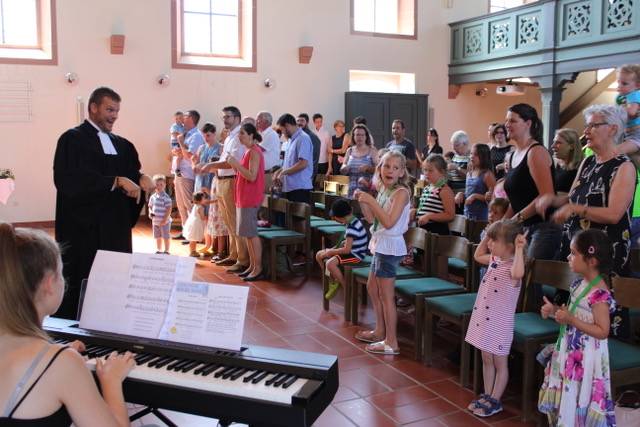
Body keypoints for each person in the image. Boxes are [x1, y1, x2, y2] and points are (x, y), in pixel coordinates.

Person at [0, 223, 135, 426]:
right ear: (49, 284)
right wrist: (111, 382)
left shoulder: (58, 361)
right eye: (61, 273)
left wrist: (53, 354)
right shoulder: (63, 363)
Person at [53, 86, 152, 320]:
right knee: (83, 278)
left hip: (115, 229)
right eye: (109, 110)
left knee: (114, 280)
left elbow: (130, 173)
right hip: (84, 230)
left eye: (117, 111)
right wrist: (114, 181)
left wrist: (141, 178)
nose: (114, 116)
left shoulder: (122, 144)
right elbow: (67, 179)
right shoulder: (71, 140)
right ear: (93, 107)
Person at [538, 229, 617, 426]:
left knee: (580, 394)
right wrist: (554, 310)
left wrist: (572, 320)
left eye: (573, 253)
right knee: (569, 393)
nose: (568, 257)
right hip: (572, 352)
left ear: (592, 261)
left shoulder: (599, 294)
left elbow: (602, 331)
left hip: (586, 357)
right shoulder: (578, 284)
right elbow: (572, 314)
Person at [465, 220, 526, 418]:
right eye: (488, 239)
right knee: (486, 358)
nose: (489, 243)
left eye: (494, 240)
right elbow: (477, 255)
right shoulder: (495, 260)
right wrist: (488, 235)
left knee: (500, 362)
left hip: (499, 325)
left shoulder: (513, 268)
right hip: (484, 319)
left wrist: (519, 248)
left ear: (509, 245)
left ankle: (495, 399)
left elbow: (519, 272)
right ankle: (487, 394)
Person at [353, 151, 411, 355]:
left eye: (395, 168)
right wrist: (363, 201)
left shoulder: (401, 193)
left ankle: (391, 342)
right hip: (380, 244)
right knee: (372, 286)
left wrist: (371, 200)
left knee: (386, 296)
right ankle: (379, 330)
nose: (390, 170)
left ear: (402, 172)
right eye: (386, 166)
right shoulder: (385, 189)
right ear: (380, 168)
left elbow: (389, 222)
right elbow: (372, 219)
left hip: (390, 247)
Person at [503, 103, 558, 262]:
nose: (507, 124)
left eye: (513, 121)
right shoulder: (513, 155)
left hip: (542, 227)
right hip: (522, 226)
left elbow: (546, 195)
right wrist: (503, 223)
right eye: (506, 120)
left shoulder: (536, 152)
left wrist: (515, 220)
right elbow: (516, 199)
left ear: (528, 123)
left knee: (528, 273)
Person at [199, 106, 249, 273]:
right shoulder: (229, 136)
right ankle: (234, 255)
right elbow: (225, 159)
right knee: (228, 221)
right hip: (222, 180)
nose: (225, 120)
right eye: (224, 117)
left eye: (228, 116)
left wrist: (211, 165)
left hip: (231, 180)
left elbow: (232, 162)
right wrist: (214, 163)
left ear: (237, 118)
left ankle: (242, 259)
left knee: (234, 221)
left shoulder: (239, 136)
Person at [226, 123, 266, 282]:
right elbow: (244, 173)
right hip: (243, 196)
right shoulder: (248, 151)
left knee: (251, 234)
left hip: (250, 197)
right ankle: (252, 265)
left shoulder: (255, 151)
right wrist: (234, 165)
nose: (239, 136)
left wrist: (235, 163)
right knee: (247, 235)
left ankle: (258, 268)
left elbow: (252, 176)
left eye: (242, 133)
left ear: (251, 135)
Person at [316, 198, 369, 300]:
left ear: (340, 218)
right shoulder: (352, 221)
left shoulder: (352, 227)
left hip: (356, 255)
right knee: (319, 255)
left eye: (336, 218)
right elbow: (349, 243)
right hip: (352, 250)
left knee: (329, 263)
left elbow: (346, 250)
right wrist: (332, 250)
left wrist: (331, 251)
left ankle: (345, 287)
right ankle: (332, 279)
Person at [172, 110, 204, 241]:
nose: (182, 119)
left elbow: (190, 156)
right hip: (179, 173)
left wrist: (180, 143)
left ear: (191, 118)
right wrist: (177, 151)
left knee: (189, 205)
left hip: (187, 174)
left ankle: (193, 235)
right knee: (180, 205)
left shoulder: (196, 136)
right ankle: (186, 232)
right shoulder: (185, 134)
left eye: (185, 117)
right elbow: (181, 152)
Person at [193, 123, 222, 257]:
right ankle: (207, 243)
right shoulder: (201, 147)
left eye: (208, 135)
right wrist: (194, 164)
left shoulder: (220, 147)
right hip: (200, 181)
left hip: (212, 182)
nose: (206, 138)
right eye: (204, 136)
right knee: (203, 215)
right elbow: (195, 166)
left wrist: (206, 167)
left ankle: (213, 245)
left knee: (212, 214)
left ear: (214, 134)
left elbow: (220, 167)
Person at [273, 114, 314, 204]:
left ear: (287, 126)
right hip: (290, 187)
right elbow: (289, 164)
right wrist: (278, 172)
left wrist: (284, 172)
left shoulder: (303, 138)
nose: (282, 133)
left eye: (282, 130)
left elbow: (303, 163)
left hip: (300, 188)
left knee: (298, 213)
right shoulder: (290, 140)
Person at [413, 154, 455, 235]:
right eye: (425, 170)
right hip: (423, 231)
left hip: (436, 233)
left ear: (442, 172)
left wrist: (429, 216)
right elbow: (426, 208)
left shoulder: (444, 190)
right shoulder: (427, 188)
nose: (426, 173)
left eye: (430, 171)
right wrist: (415, 211)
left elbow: (450, 215)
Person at [456, 143, 495, 221]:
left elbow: (493, 197)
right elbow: (468, 193)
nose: (472, 156)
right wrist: (461, 194)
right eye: (471, 153)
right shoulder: (469, 173)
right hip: (467, 214)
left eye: (476, 154)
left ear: (484, 157)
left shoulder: (487, 174)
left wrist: (475, 196)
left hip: (481, 217)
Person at [341, 124, 378, 198]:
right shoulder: (349, 150)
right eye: (357, 135)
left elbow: (380, 170)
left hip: (367, 192)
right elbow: (342, 168)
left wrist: (368, 168)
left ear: (366, 136)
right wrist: (344, 168)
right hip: (351, 191)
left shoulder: (372, 150)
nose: (360, 137)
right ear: (353, 136)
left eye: (362, 135)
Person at [551, 128, 583, 195]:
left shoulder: (582, 167)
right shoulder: (553, 163)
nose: (553, 146)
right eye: (554, 142)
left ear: (571, 146)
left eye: (558, 143)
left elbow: (578, 195)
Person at [256, 111, 281, 192]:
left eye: (258, 120)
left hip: (268, 174)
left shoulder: (271, 134)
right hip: (261, 173)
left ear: (266, 122)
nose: (256, 122)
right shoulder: (261, 134)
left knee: (266, 197)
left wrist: (247, 140)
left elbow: (258, 149)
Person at [148, 174, 172, 254]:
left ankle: (167, 250)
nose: (159, 186)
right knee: (157, 236)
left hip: (164, 221)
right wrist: (150, 212)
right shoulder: (153, 197)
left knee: (166, 236)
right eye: (157, 185)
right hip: (155, 221)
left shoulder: (166, 197)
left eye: (161, 184)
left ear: (164, 185)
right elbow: (150, 206)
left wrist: (165, 220)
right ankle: (159, 249)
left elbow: (168, 209)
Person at [183, 192, 207, 257]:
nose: (205, 199)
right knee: (194, 239)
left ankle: (192, 251)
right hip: (196, 224)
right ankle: (192, 252)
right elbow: (202, 217)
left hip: (192, 223)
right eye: (204, 198)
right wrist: (207, 217)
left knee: (192, 239)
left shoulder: (195, 206)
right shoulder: (201, 207)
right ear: (200, 200)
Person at [447, 130, 470, 194]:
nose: (453, 148)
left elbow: (470, 176)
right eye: (453, 145)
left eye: (456, 145)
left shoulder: (471, 157)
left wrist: (457, 168)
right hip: (452, 191)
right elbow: (450, 174)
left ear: (465, 144)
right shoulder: (455, 156)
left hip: (463, 193)